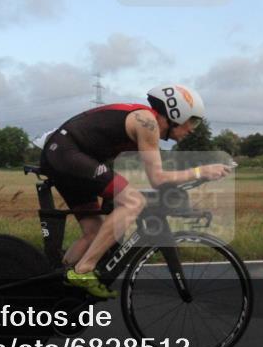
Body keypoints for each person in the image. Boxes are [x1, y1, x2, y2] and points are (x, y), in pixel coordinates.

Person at [39, 84, 232, 298]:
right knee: (133, 201)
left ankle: (57, 288)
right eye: (192, 121)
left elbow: (156, 172)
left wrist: (195, 178)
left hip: (66, 155)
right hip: (68, 153)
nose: (192, 128)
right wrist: (200, 171)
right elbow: (158, 178)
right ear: (176, 113)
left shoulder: (146, 123)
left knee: (93, 232)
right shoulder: (147, 123)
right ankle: (83, 270)